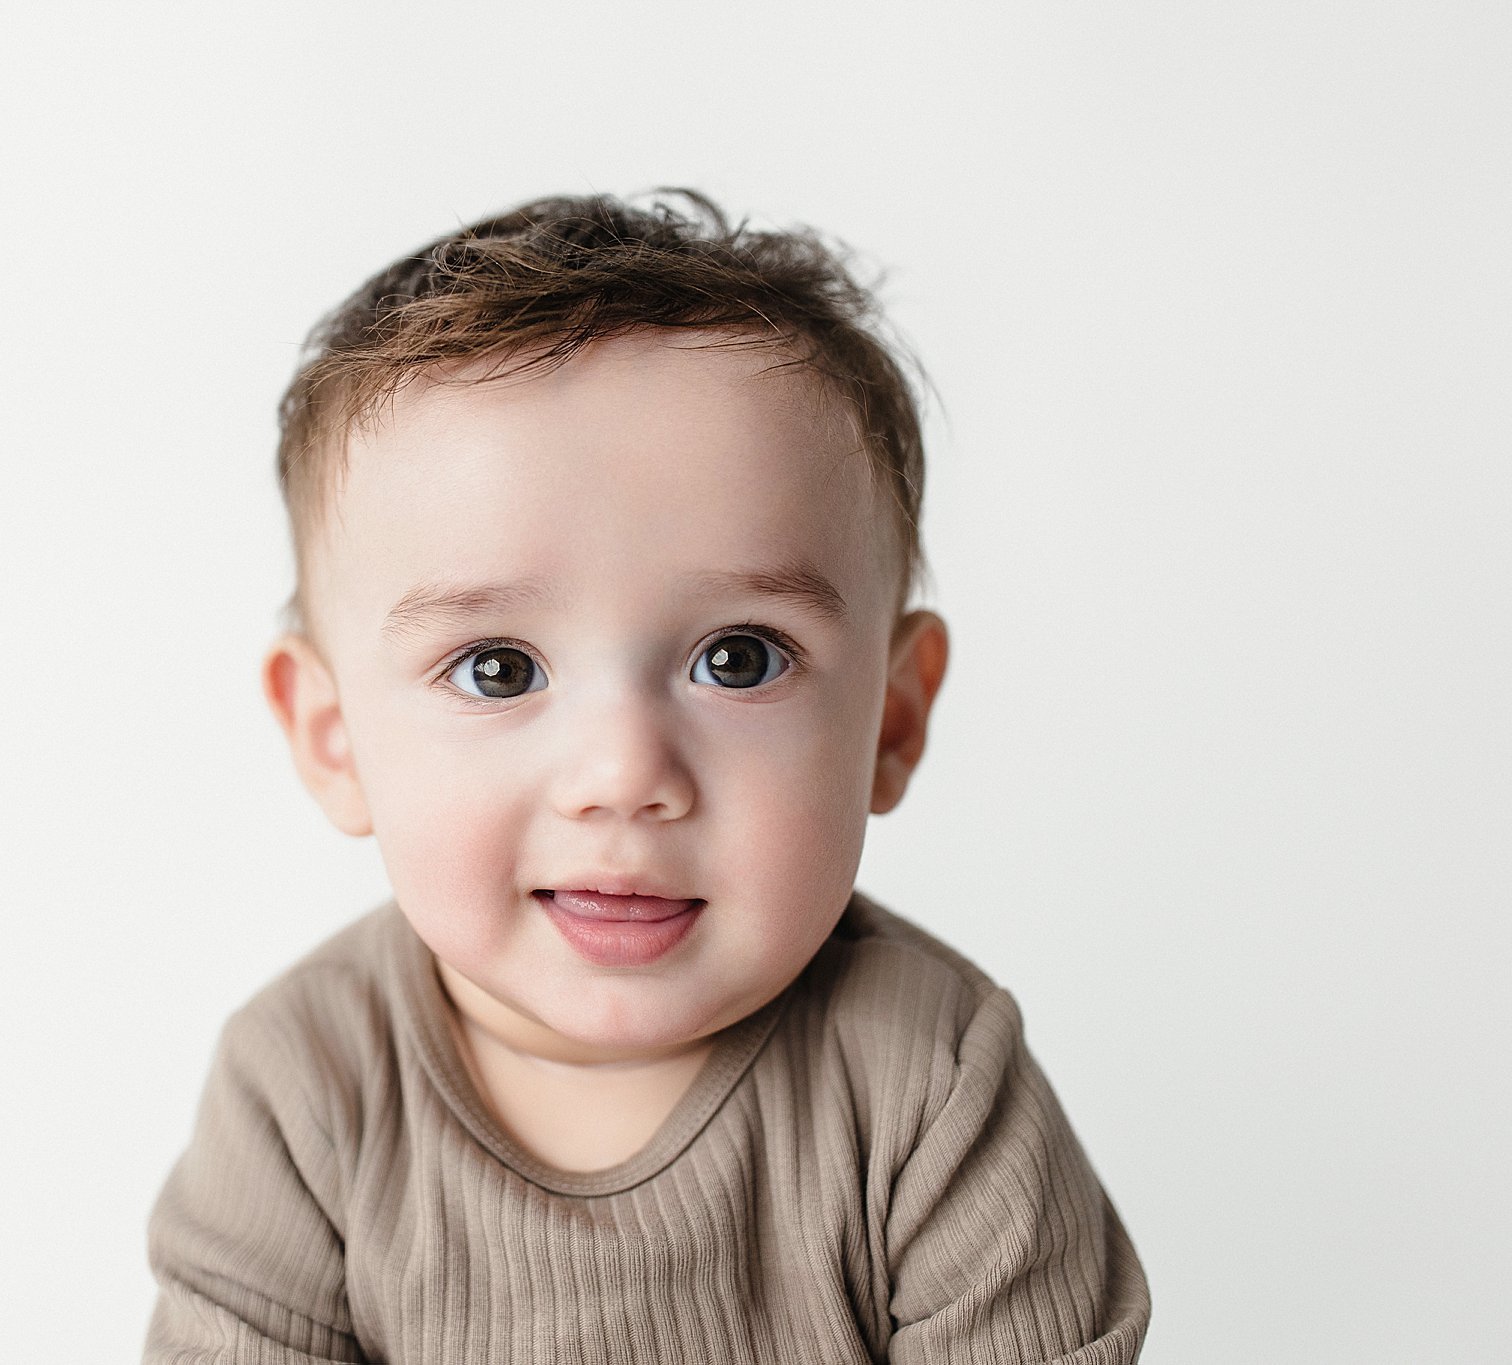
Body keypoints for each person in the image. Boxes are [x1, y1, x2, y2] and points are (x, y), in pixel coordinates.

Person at [143, 189, 1150, 1363]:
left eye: (736, 658)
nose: (622, 777)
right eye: (497, 669)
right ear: (332, 737)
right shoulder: (305, 1089)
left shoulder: (927, 1082)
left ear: (889, 715)